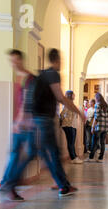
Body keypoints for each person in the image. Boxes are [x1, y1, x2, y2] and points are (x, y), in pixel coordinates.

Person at [32, 48, 86, 198]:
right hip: (45, 120)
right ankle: (63, 186)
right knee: (53, 153)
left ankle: (63, 183)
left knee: (50, 152)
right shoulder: (53, 74)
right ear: (57, 60)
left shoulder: (43, 74)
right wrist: (79, 112)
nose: (61, 63)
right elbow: (61, 97)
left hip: (38, 119)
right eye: (61, 60)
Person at [0, 49, 37, 202]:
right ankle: (7, 184)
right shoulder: (18, 77)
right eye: (12, 60)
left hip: (27, 124)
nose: (13, 63)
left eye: (16, 60)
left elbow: (26, 101)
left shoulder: (29, 79)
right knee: (15, 154)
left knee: (28, 153)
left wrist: (20, 121)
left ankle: (8, 184)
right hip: (20, 123)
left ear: (21, 60)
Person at [60, 90, 83, 164]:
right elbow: (62, 114)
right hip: (68, 125)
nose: (75, 96)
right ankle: (73, 158)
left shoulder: (71, 104)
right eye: (73, 95)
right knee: (70, 142)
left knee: (72, 142)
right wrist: (66, 121)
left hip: (73, 125)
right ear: (70, 95)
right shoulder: (67, 104)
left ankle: (74, 156)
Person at [87, 93, 108, 163]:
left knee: (95, 142)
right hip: (105, 127)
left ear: (97, 98)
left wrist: (93, 127)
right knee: (102, 143)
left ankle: (91, 158)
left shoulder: (97, 105)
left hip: (99, 127)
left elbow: (96, 117)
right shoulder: (106, 105)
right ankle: (100, 158)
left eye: (95, 98)